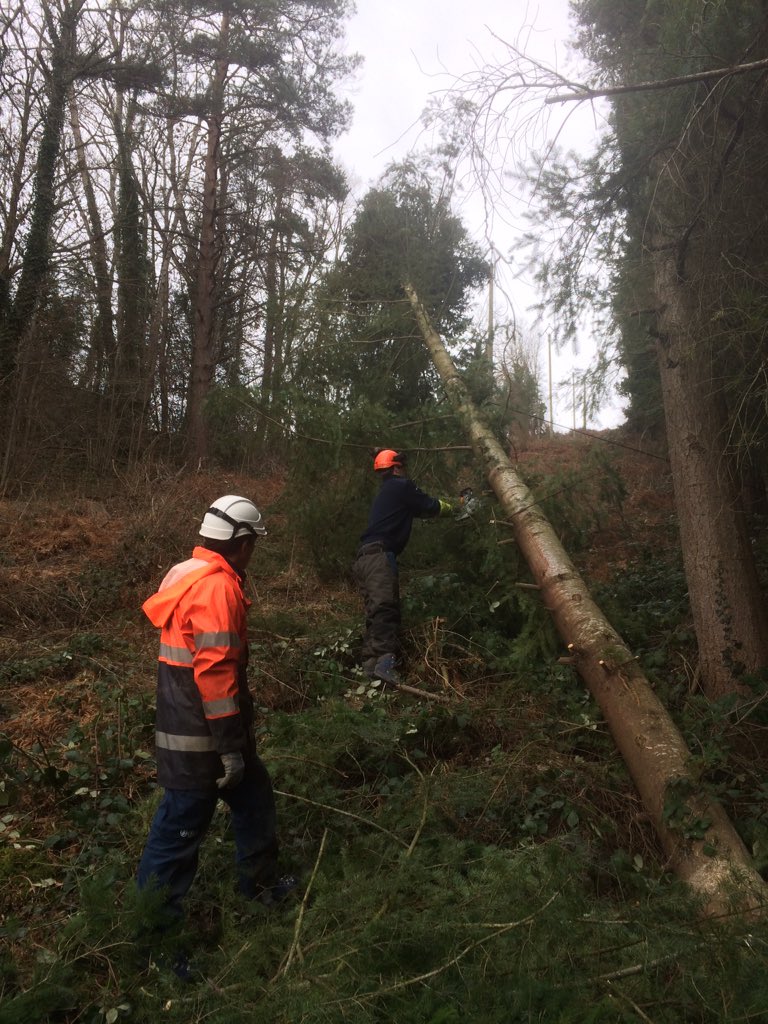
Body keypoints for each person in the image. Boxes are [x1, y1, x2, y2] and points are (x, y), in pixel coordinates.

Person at [136, 495, 295, 967]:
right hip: (202, 738)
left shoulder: (186, 571)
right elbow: (216, 674)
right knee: (178, 832)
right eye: (253, 545)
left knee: (254, 798)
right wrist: (230, 749)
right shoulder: (217, 589)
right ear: (241, 543)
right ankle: (155, 942)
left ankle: (260, 886)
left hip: (191, 723)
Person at [352, 449, 454, 686]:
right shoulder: (402, 486)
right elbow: (429, 505)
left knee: (374, 612)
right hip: (379, 556)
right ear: (397, 467)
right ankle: (385, 667)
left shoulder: (387, 493)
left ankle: (370, 668)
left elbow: (417, 510)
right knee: (386, 609)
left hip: (363, 559)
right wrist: (455, 508)